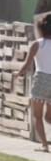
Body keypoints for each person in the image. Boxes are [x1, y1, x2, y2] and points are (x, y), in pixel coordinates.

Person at [15, 14, 51, 152]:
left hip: (41, 79)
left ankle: (44, 145)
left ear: (41, 28)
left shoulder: (37, 44)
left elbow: (27, 65)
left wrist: (18, 74)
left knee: (37, 115)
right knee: (49, 116)